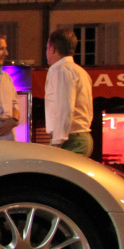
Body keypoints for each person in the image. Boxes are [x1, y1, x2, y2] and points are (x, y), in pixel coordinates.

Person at [44, 28, 94, 156]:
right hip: (79, 137)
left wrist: (56, 142)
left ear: (52, 49)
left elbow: (64, 108)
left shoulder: (60, 70)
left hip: (69, 140)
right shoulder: (80, 71)